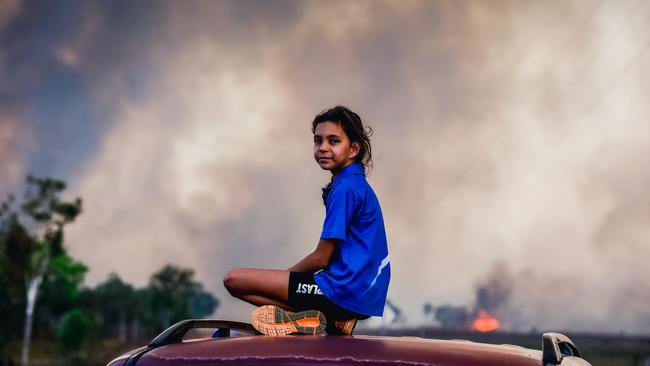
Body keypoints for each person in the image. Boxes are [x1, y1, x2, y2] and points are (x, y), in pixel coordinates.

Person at [223, 105, 390, 336]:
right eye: (317, 140)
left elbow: (322, 257)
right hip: (356, 293)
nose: (322, 147)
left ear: (353, 149)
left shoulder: (346, 188)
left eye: (333, 141)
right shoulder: (354, 184)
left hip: (342, 290)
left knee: (233, 280)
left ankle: (329, 316)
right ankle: (331, 319)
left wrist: (284, 279)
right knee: (254, 285)